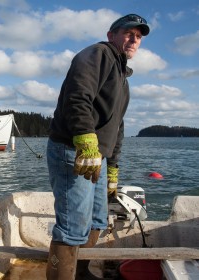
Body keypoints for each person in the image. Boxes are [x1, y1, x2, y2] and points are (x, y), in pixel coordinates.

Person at [46, 14, 150, 279]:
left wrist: (112, 166)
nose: (134, 39)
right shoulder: (97, 54)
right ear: (111, 34)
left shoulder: (121, 77)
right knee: (72, 226)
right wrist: (85, 139)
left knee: (96, 220)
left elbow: (117, 126)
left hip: (99, 158)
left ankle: (80, 273)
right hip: (73, 150)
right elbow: (77, 96)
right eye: (128, 33)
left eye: (138, 36)